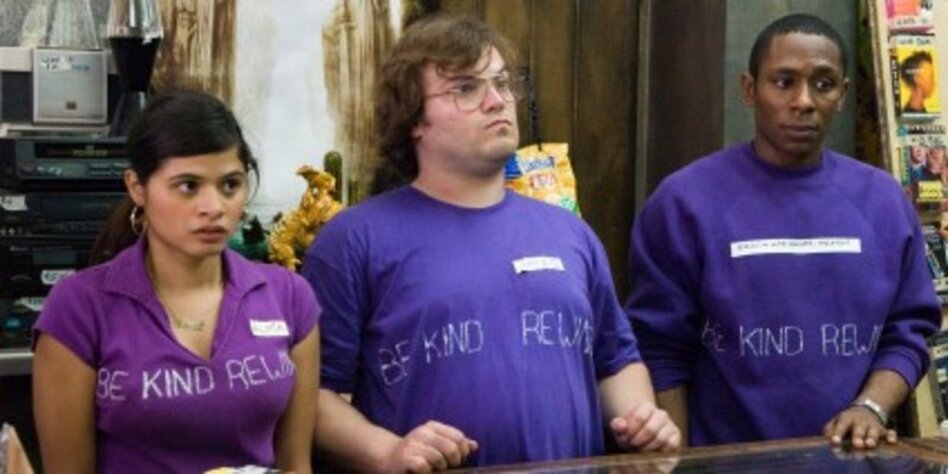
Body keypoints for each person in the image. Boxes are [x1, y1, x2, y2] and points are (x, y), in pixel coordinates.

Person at [301, 14, 680, 470]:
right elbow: (312, 398)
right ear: (413, 117)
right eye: (466, 88)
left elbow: (616, 362)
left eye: (502, 83)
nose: (497, 100)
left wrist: (641, 419)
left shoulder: (569, 232)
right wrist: (388, 452)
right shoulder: (354, 239)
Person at [626, 13, 940, 450]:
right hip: (727, 462)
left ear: (843, 94)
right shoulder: (684, 202)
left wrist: (870, 408)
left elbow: (909, 332)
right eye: (784, 82)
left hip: (850, 460)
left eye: (823, 84)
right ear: (749, 89)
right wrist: (680, 461)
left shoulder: (883, 201)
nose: (804, 101)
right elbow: (660, 349)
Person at [32, 91, 320, 473]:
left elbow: (296, 465)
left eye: (230, 185)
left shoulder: (288, 296)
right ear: (137, 187)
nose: (214, 207)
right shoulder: (80, 308)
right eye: (188, 186)